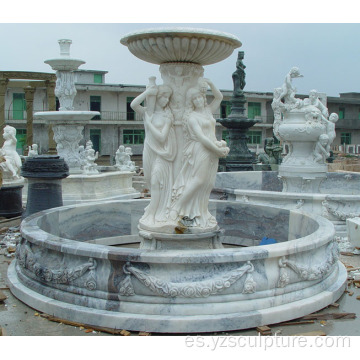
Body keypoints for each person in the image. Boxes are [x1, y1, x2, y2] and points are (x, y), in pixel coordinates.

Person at [170, 78, 229, 229]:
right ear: (191, 102)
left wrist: (210, 83)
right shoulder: (191, 117)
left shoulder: (208, 110)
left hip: (212, 149)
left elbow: (219, 97)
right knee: (199, 179)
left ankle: (199, 211)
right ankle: (176, 207)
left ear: (203, 98)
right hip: (201, 149)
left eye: (199, 97)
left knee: (208, 182)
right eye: (194, 99)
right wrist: (217, 149)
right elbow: (202, 137)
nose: (197, 100)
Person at [130, 79, 176, 226]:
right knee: (150, 182)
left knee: (157, 182)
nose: (166, 100)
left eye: (168, 98)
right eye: (163, 97)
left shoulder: (168, 116)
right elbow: (133, 104)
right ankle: (155, 209)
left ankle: (154, 213)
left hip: (163, 153)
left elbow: (162, 137)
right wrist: (147, 92)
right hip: (149, 151)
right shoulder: (147, 112)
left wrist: (149, 124)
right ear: (157, 97)